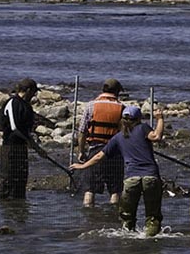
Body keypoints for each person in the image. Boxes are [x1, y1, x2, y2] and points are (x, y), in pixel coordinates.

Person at [70, 105, 165, 236]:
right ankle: (150, 242)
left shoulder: (118, 137)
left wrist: (82, 166)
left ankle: (127, 244)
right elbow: (156, 136)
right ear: (138, 119)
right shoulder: (143, 128)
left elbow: (98, 156)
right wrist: (160, 119)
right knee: (152, 216)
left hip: (131, 179)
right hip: (151, 176)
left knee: (127, 218)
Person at [76, 78, 125, 207]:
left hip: (95, 150)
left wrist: (81, 151)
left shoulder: (91, 105)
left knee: (90, 189)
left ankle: (89, 218)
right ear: (117, 92)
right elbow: (125, 133)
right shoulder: (122, 108)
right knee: (115, 190)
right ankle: (113, 219)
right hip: (115, 152)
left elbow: (82, 131)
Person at [0, 78, 40, 200]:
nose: (34, 96)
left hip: (22, 148)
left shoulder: (27, 106)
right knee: (8, 181)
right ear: (28, 90)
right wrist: (31, 142)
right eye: (34, 92)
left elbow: (26, 129)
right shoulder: (13, 103)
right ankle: (6, 210)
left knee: (20, 182)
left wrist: (31, 142)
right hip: (10, 148)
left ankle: (19, 210)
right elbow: (15, 127)